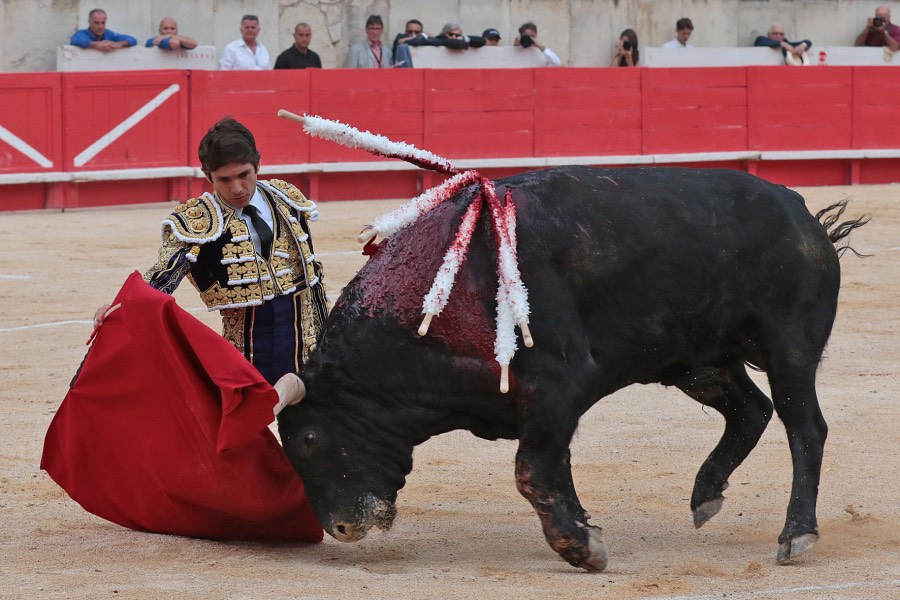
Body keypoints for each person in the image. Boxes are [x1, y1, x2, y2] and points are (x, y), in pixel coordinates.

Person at [93, 117, 328, 385]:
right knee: (247, 417)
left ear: (257, 166)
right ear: (208, 176)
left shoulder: (287, 200)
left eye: (243, 175)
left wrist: (328, 335)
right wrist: (123, 305)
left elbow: (312, 276)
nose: (237, 188)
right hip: (247, 349)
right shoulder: (197, 220)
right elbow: (164, 274)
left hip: (304, 339)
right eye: (224, 180)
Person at [70, 8, 137, 51]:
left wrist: (119, 44)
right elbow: (75, 39)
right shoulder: (82, 33)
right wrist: (96, 45)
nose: (100, 26)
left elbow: (132, 39)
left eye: (103, 23)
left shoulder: (109, 34)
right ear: (89, 22)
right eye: (96, 23)